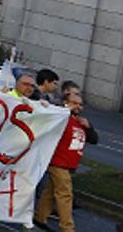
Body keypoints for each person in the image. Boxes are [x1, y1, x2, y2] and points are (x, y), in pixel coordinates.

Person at [33, 93, 98, 232]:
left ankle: (40, 217)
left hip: (69, 164)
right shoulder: (61, 117)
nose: (78, 107)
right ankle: (67, 228)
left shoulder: (81, 121)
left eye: (80, 104)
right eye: (74, 103)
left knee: (51, 191)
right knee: (65, 194)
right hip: (58, 163)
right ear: (65, 102)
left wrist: (88, 127)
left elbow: (94, 139)